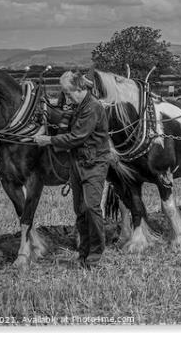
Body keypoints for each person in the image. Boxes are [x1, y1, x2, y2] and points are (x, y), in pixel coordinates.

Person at [33, 71, 110, 268]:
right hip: (78, 164)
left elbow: (77, 137)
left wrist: (48, 140)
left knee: (92, 208)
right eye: (65, 94)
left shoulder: (92, 107)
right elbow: (64, 128)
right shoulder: (77, 106)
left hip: (94, 164)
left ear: (80, 89)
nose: (66, 97)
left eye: (68, 93)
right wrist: (46, 128)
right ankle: (83, 253)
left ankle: (95, 255)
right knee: (80, 210)